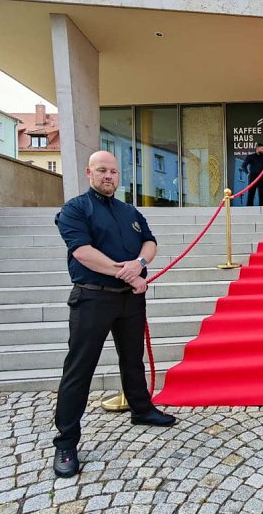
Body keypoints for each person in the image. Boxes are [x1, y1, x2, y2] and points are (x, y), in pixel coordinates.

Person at [53, 151, 176, 478]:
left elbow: (149, 242)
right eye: (102, 170)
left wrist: (140, 264)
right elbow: (83, 252)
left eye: (113, 171)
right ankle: (66, 442)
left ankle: (141, 409)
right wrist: (129, 275)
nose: (108, 176)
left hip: (129, 301)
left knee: (132, 359)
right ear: (89, 172)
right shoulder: (75, 209)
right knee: (79, 369)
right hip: (92, 298)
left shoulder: (129, 211)